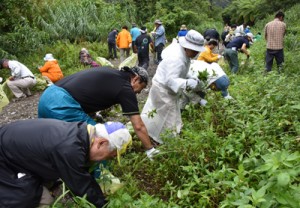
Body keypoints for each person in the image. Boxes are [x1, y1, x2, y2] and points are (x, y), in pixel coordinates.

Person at [0, 118, 131, 208]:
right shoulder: (69, 149)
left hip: (13, 146)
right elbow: (82, 185)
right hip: (4, 159)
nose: (106, 159)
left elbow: (81, 174)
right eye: (110, 155)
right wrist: (105, 205)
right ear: (101, 142)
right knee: (38, 199)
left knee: (51, 181)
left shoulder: (80, 132)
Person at [38, 66, 158, 159]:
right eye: (139, 89)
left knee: (50, 140)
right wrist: (150, 149)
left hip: (47, 96)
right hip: (61, 104)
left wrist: (93, 115)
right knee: (99, 141)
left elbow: (89, 91)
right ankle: (99, 176)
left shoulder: (111, 73)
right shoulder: (126, 88)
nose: (137, 93)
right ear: (135, 79)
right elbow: (138, 126)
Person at [141, 30, 205, 144]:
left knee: (163, 114)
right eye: (195, 50)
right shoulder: (177, 58)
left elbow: (179, 72)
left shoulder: (183, 52)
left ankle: (154, 135)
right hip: (163, 89)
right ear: (188, 47)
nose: (196, 53)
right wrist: (188, 83)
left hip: (164, 88)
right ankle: (169, 142)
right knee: (169, 117)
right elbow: (170, 80)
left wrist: (190, 77)